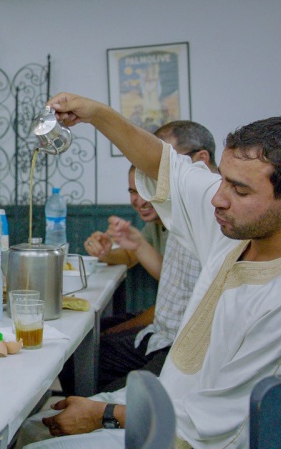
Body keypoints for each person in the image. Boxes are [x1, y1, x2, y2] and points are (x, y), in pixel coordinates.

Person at [29, 93, 281, 448]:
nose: (217, 198)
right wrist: (97, 114)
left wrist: (103, 415)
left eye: (238, 189)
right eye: (223, 180)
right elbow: (163, 165)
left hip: (191, 438)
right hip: (170, 403)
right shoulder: (242, 224)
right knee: (30, 427)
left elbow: (216, 427)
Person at [97, 120, 217, 392]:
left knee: (102, 376)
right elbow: (171, 280)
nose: (146, 192)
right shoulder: (172, 208)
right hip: (161, 333)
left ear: (201, 160)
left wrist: (94, 113)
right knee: (88, 357)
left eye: (161, 167)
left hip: (183, 346)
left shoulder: (214, 213)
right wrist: (128, 247)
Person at [84, 165, 166, 280]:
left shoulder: (182, 224)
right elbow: (129, 257)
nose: (141, 202)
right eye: (133, 192)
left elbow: (176, 279)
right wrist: (105, 252)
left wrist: (138, 245)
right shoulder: (154, 225)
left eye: (148, 190)